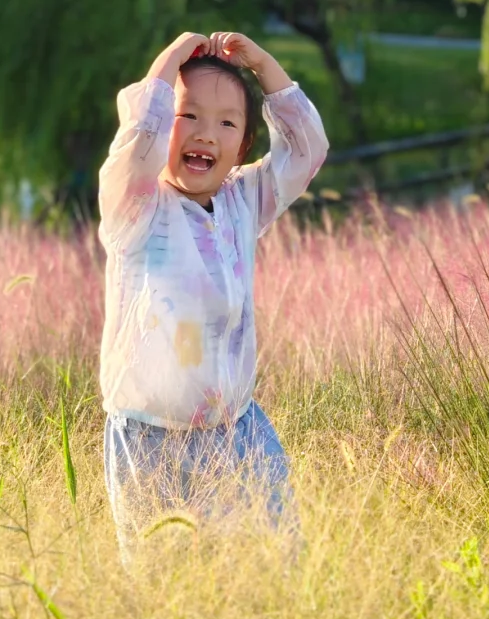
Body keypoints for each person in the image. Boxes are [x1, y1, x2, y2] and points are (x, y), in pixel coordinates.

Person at [98, 29, 328, 552]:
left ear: (243, 146)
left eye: (226, 124)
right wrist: (174, 57)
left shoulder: (244, 201)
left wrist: (262, 64)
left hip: (237, 430)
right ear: (164, 129)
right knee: (166, 582)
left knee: (271, 564)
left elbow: (307, 149)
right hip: (149, 436)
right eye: (189, 116)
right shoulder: (135, 206)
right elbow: (136, 139)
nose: (206, 133)